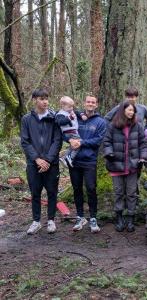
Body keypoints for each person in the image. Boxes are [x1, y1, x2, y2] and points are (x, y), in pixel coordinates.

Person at [20, 88, 62, 234]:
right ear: (34, 100)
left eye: (46, 98)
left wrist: (48, 160)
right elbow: (25, 142)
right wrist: (37, 159)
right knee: (35, 193)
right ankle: (36, 221)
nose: (45, 101)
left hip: (52, 164)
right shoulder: (26, 119)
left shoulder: (54, 118)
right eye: (41, 99)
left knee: (52, 192)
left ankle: (51, 220)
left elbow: (57, 140)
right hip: (33, 164)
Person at [103, 101, 147, 232]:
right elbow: (106, 142)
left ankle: (130, 219)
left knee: (131, 194)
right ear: (122, 111)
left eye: (132, 110)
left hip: (132, 166)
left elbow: (143, 143)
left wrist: (143, 157)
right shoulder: (113, 126)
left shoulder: (138, 126)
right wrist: (109, 153)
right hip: (116, 164)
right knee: (118, 193)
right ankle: (119, 218)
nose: (131, 112)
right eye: (129, 110)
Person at [69, 95, 107, 233]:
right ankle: (80, 217)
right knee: (76, 188)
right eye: (88, 102)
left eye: (93, 102)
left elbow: (98, 140)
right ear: (84, 103)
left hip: (89, 161)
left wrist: (81, 142)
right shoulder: (75, 118)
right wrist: (70, 141)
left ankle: (93, 218)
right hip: (74, 160)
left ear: (96, 105)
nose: (90, 104)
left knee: (91, 189)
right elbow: (65, 130)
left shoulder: (100, 122)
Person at [55, 96, 81, 167]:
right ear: (63, 106)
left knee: (74, 145)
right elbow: (60, 122)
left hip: (73, 131)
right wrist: (69, 118)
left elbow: (77, 112)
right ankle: (70, 158)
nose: (71, 108)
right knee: (79, 143)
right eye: (69, 107)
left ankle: (65, 157)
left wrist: (82, 115)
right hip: (69, 132)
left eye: (72, 106)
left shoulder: (71, 111)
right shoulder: (60, 114)